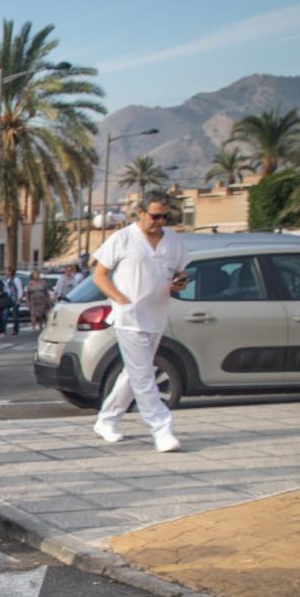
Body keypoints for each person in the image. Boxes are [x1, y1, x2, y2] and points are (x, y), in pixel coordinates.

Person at [91, 190, 189, 452]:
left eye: (165, 217)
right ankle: (161, 428)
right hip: (129, 318)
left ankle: (107, 420)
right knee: (144, 374)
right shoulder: (122, 239)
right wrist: (120, 299)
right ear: (141, 213)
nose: (159, 221)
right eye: (155, 216)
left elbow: (181, 273)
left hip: (157, 315)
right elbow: (99, 275)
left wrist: (180, 283)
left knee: (134, 373)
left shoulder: (174, 242)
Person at [4, 268, 25, 336]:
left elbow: (19, 289)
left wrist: (19, 298)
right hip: (7, 299)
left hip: (15, 299)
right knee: (5, 314)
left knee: (15, 315)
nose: (5, 272)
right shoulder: (6, 280)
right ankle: (3, 330)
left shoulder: (16, 279)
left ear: (10, 272)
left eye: (7, 271)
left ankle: (15, 330)